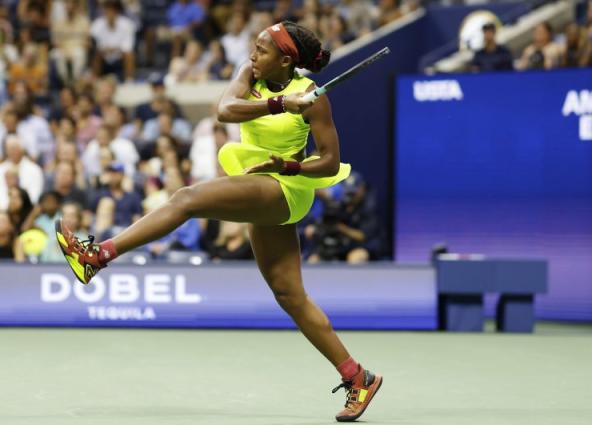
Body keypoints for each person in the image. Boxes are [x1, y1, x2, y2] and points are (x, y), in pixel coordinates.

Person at [55, 21, 382, 422]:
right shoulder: (251, 75)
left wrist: (292, 164)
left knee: (186, 199)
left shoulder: (313, 98)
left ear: (285, 59)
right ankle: (357, 376)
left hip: (285, 186)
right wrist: (279, 105)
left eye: (261, 50)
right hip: (256, 178)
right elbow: (225, 110)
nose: (252, 55)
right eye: (254, 46)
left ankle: (98, 255)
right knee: (289, 295)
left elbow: (329, 160)